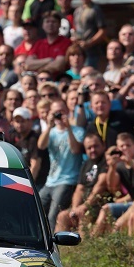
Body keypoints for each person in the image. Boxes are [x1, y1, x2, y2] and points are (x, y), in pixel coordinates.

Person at [92, 133, 134, 235]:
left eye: (128, 145)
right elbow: (112, 187)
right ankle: (91, 241)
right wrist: (112, 167)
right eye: (122, 146)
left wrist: (130, 162)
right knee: (106, 209)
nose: (125, 148)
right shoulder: (120, 165)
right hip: (133, 202)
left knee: (118, 224)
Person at [37, 99, 85, 231]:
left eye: (61, 112)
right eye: (55, 112)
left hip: (67, 179)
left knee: (53, 214)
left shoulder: (78, 131)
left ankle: (53, 245)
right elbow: (41, 145)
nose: (58, 115)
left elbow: (76, 150)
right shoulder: (51, 132)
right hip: (50, 181)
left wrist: (68, 127)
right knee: (35, 209)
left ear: (68, 112)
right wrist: (49, 125)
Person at [55, 133, 109, 232]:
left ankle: (82, 246)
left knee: (84, 215)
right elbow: (79, 189)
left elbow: (101, 185)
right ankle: (60, 247)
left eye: (95, 146)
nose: (92, 150)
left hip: (98, 205)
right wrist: (75, 208)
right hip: (83, 206)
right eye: (89, 148)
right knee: (62, 216)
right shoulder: (86, 164)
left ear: (103, 145)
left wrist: (85, 206)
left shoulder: (106, 161)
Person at [25, 11, 71, 77]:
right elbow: (28, 64)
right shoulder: (38, 43)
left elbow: (58, 65)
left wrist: (40, 71)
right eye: (47, 22)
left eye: (53, 22)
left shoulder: (66, 43)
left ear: (60, 24)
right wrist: (49, 60)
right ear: (43, 25)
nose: (50, 24)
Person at [72, 0, 106, 68]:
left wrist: (89, 42)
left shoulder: (96, 9)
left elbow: (103, 30)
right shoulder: (77, 11)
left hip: (93, 51)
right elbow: (75, 28)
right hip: (79, 50)